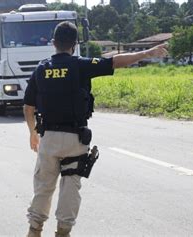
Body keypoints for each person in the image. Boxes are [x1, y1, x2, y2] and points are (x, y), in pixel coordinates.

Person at [23, 21, 168, 237]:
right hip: (75, 139)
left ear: (54, 43)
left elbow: (28, 106)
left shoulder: (42, 69)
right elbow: (115, 62)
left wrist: (33, 133)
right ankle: (63, 232)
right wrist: (148, 52)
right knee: (71, 186)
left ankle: (34, 231)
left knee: (44, 187)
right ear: (75, 44)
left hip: (49, 138)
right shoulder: (81, 64)